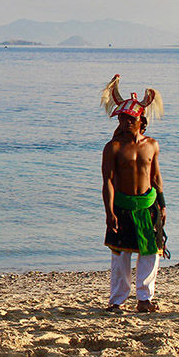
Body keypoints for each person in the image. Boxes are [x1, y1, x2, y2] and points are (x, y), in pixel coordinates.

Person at [99, 74, 167, 313]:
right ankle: (117, 300)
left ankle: (144, 299)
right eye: (122, 118)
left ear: (141, 121)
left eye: (130, 118)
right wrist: (109, 212)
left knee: (150, 254)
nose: (125, 121)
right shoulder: (113, 148)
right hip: (123, 205)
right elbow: (107, 181)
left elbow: (156, 177)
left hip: (148, 205)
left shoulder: (152, 145)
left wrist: (162, 204)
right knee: (120, 257)